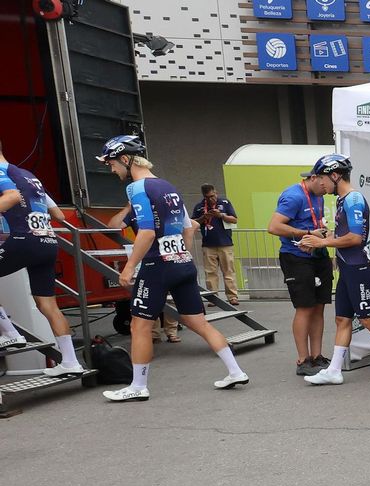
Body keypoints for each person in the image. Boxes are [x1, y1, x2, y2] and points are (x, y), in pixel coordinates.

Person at [95, 135, 248, 401]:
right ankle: (235, 371)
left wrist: (129, 267)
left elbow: (146, 233)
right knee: (197, 321)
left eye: (111, 164)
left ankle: (138, 386)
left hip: (157, 265)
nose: (112, 170)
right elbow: (190, 227)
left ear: (124, 158)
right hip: (182, 263)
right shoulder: (168, 186)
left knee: (139, 326)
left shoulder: (137, 187)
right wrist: (183, 256)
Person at [296, 154, 370, 386]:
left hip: (358, 268)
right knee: (342, 319)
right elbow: (343, 235)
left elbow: (356, 238)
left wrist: (323, 243)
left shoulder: (353, 199)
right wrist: (319, 237)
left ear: (336, 175)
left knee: (368, 320)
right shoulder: (342, 199)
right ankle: (334, 370)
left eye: (322, 178)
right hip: (348, 269)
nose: (320, 183)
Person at [0, 142, 83, 375]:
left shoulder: (1, 172)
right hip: (47, 241)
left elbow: (12, 197)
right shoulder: (29, 176)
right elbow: (57, 214)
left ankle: (10, 334)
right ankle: (70, 361)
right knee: (47, 304)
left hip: (22, 239)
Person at [267, 162, 333, 375]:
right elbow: (274, 227)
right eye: (324, 184)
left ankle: (317, 355)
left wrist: (322, 232)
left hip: (318, 255)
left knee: (319, 306)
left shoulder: (320, 195)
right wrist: (305, 232)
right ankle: (303, 359)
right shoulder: (294, 196)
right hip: (296, 257)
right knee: (304, 307)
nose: (327, 189)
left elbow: (315, 222)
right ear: (314, 178)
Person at [191, 183, 239, 307]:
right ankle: (213, 297)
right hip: (208, 244)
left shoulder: (225, 203)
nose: (211, 199)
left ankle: (232, 296)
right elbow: (192, 223)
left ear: (216, 192)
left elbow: (234, 219)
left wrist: (221, 215)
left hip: (225, 243)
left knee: (228, 271)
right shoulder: (199, 207)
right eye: (207, 197)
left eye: (212, 196)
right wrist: (203, 218)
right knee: (210, 272)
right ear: (204, 196)